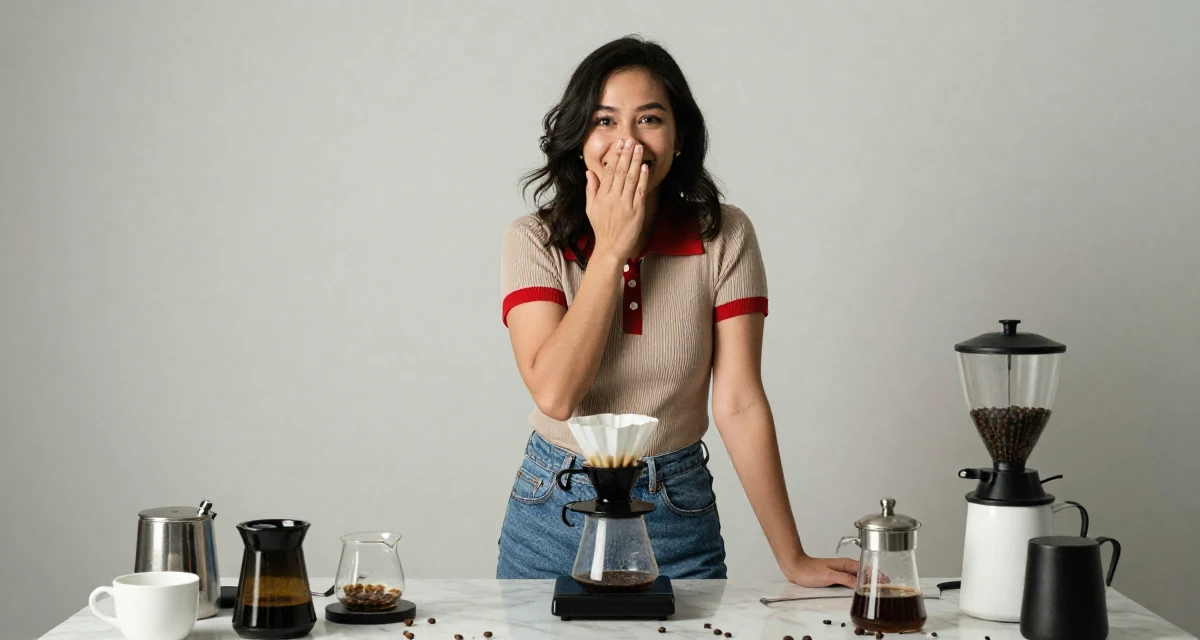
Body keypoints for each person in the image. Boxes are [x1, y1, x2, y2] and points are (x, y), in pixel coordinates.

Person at [496, 35, 858, 587]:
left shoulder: (725, 234)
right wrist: (612, 248)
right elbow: (556, 395)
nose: (628, 142)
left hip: (677, 506)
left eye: (649, 120)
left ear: (679, 137)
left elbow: (738, 402)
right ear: (579, 137)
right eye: (605, 121)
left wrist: (793, 557)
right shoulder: (533, 240)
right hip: (555, 509)